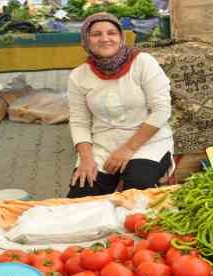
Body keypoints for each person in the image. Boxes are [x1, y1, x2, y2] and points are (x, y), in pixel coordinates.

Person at [66, 12, 174, 198]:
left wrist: (128, 149)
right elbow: (79, 122)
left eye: (111, 33)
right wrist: (86, 159)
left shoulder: (143, 63)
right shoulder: (79, 75)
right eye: (96, 34)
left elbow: (161, 110)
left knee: (137, 187)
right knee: (82, 192)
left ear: (121, 37)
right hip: (103, 146)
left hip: (146, 142)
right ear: (86, 40)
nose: (105, 39)